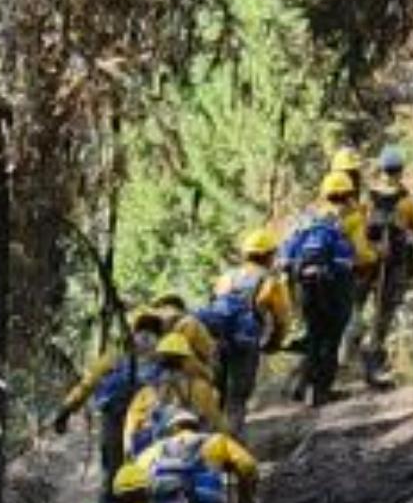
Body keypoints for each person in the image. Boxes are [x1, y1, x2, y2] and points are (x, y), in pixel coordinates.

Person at [279, 172, 368, 406]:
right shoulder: (347, 221)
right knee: (332, 337)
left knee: (314, 335)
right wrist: (375, 255)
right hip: (335, 285)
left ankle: (304, 385)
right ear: (349, 195)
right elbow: (358, 256)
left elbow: (286, 255)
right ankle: (320, 391)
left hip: (305, 285)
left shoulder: (308, 219)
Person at [361, 148, 413, 384]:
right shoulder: (406, 202)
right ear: (400, 170)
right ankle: (374, 358)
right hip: (393, 264)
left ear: (381, 169)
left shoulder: (368, 197)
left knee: (358, 310)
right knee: (384, 313)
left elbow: (358, 228)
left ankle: (343, 358)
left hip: (366, 262)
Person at [204, 228, 292, 432]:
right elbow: (282, 320)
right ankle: (231, 445)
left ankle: (207, 446)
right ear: (269, 255)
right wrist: (273, 344)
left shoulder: (227, 277)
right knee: (237, 399)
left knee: (215, 395)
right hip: (245, 343)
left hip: (216, 342)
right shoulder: (271, 283)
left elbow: (213, 305)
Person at [52, 309, 140, 503]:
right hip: (144, 423)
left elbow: (87, 385)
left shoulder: (112, 358)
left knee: (112, 472)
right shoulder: (159, 358)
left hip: (114, 419)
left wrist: (65, 411)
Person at [124, 330, 227, 455]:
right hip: (191, 451)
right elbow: (216, 422)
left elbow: (132, 425)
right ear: (187, 360)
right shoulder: (201, 388)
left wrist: (129, 449)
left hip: (157, 455)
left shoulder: (147, 392)